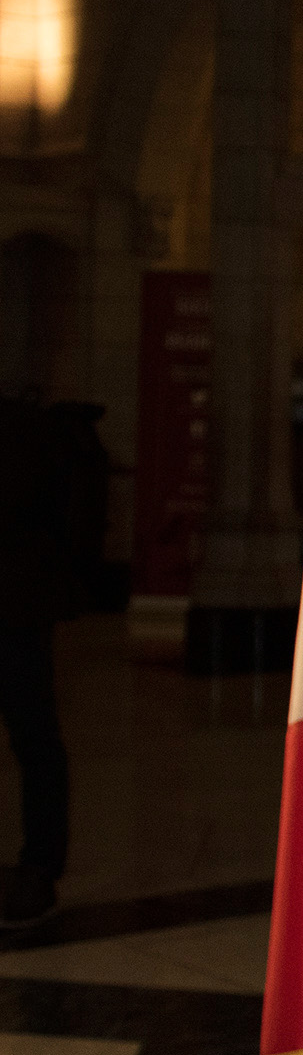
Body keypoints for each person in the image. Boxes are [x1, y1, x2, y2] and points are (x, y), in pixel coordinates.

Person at [1, 394, 105, 930]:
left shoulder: (27, 428)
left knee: (35, 738)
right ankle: (38, 869)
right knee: (36, 739)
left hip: (16, 605)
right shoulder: (34, 426)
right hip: (22, 603)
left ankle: (39, 868)